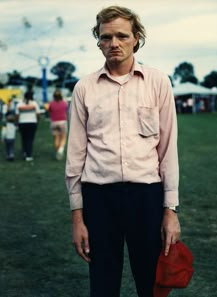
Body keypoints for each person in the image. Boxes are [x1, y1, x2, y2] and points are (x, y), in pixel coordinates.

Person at [65, 5, 181, 297]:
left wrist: (170, 211)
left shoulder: (158, 82)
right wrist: (77, 218)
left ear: (136, 38)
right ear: (98, 40)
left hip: (147, 196)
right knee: (103, 285)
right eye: (105, 37)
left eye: (121, 36)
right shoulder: (84, 88)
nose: (113, 43)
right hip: (99, 198)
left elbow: (168, 151)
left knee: (151, 284)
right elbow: (75, 156)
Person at [15, 91, 40, 161]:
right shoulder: (34, 104)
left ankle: (24, 152)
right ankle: (29, 155)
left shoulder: (19, 104)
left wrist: (16, 123)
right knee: (30, 139)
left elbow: (17, 115)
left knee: (23, 139)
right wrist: (37, 121)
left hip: (22, 123)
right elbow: (38, 114)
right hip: (32, 123)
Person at [48, 89, 68, 160]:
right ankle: (61, 150)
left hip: (54, 122)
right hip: (62, 122)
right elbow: (66, 110)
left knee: (56, 138)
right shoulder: (64, 103)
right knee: (63, 138)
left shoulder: (51, 103)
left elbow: (49, 111)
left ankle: (57, 153)